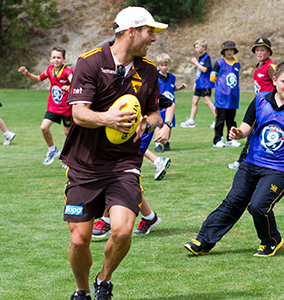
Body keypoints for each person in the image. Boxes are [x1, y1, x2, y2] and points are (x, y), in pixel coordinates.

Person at [60, 6, 167, 300]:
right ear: (131, 32)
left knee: (122, 230)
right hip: (84, 165)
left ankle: (104, 280)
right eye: (149, 32)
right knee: (80, 240)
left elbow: (155, 113)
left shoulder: (148, 70)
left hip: (123, 164)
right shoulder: (90, 63)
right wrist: (108, 118)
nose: (152, 39)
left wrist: (148, 122)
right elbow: (79, 114)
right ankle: (82, 290)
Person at [185, 61, 284, 257]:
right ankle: (203, 241)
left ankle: (271, 241)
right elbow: (247, 126)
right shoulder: (260, 100)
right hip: (251, 163)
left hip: (280, 169)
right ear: (274, 80)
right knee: (233, 201)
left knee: (258, 206)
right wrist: (238, 134)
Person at [93, 89, 176, 238]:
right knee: (126, 178)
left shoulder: (142, 86)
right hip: (120, 136)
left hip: (139, 136)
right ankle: (150, 217)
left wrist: (166, 126)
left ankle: (106, 219)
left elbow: (170, 104)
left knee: (121, 174)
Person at [227, 38, 284, 169]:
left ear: (269, 52)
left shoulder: (271, 67)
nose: (259, 53)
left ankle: (242, 161)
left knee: (256, 133)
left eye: (262, 50)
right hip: (261, 105)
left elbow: (280, 83)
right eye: (257, 50)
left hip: (270, 107)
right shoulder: (258, 66)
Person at [18, 46, 74, 166]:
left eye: (59, 58)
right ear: (50, 59)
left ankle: (70, 156)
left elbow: (74, 79)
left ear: (64, 59)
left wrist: (70, 86)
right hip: (53, 106)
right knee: (44, 127)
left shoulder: (67, 71)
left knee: (67, 133)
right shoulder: (49, 70)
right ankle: (52, 150)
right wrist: (27, 73)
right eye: (54, 57)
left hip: (66, 108)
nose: (56, 60)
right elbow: (38, 79)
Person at [210, 40, 241, 148]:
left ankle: (230, 139)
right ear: (223, 51)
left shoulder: (237, 63)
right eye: (227, 50)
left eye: (231, 50)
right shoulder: (219, 63)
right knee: (220, 119)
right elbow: (213, 77)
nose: (229, 52)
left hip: (233, 96)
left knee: (231, 120)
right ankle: (217, 139)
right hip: (222, 97)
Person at [154, 52, 186, 152]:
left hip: (170, 106)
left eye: (166, 65)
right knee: (159, 124)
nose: (164, 67)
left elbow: (171, 88)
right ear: (158, 65)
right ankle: (158, 144)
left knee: (169, 124)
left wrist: (179, 88)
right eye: (161, 65)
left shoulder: (172, 77)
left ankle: (166, 142)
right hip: (160, 106)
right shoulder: (156, 77)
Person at [180, 39, 216, 128]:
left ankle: (218, 119)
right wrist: (196, 83)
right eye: (195, 47)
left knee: (207, 101)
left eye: (197, 47)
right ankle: (191, 121)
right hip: (200, 84)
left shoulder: (207, 57)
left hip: (206, 84)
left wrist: (195, 62)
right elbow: (199, 72)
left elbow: (204, 69)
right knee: (194, 101)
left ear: (203, 48)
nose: (196, 49)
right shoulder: (200, 58)